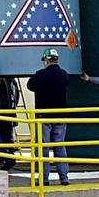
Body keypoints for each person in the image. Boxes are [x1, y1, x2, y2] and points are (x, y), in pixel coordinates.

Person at [27, 48, 70, 186]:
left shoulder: (40, 75)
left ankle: (44, 178)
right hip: (60, 116)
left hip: (43, 116)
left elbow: (30, 85)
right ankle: (64, 177)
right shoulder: (64, 75)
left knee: (42, 147)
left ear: (46, 61)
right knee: (60, 146)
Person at [0, 75, 20, 166]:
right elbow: (16, 98)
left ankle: (6, 155)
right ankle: (9, 156)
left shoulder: (0, 82)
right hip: (9, 113)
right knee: (8, 137)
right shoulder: (13, 83)